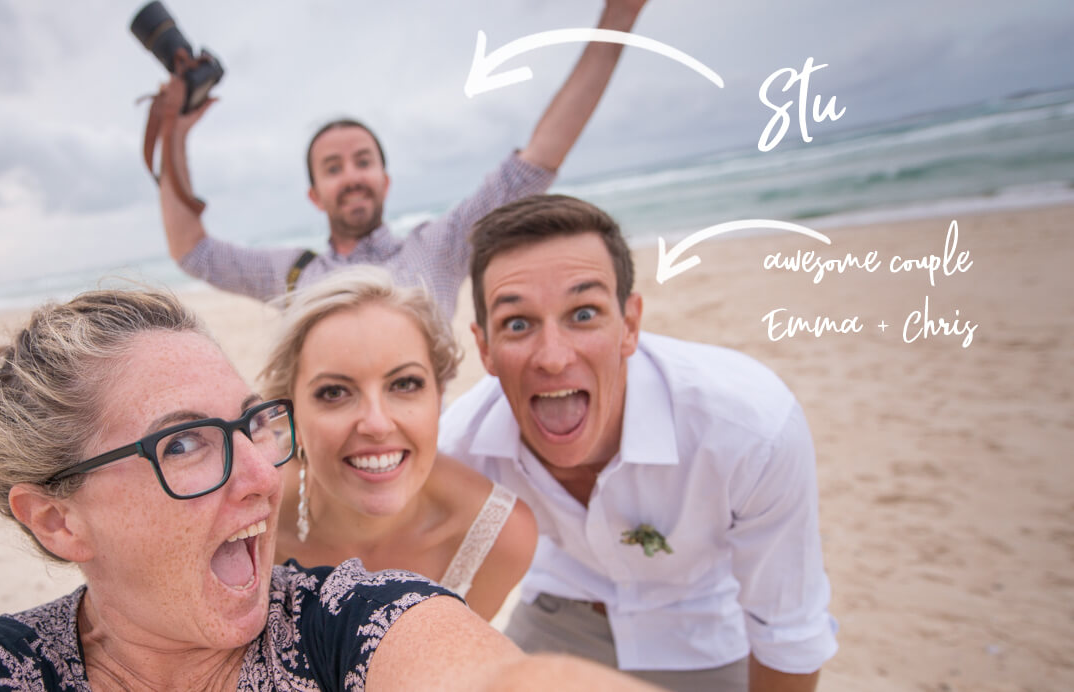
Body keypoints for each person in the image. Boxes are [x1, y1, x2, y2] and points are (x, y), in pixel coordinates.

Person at [0, 287, 655, 691]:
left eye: (249, 428)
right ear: (59, 521)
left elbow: (490, 676)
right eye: (182, 443)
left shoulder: (345, 619)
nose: (260, 476)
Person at [438, 195, 838, 691]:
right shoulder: (462, 446)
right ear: (485, 348)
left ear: (629, 326)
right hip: (558, 614)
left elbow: (789, 629)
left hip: (707, 628)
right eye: (517, 324)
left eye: (583, 313)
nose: (554, 358)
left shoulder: (751, 430)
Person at [157, 0, 649, 320]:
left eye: (362, 161)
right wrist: (173, 133)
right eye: (333, 168)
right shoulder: (291, 274)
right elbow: (192, 252)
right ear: (314, 195)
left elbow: (537, 161)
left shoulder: (438, 248)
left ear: (386, 181)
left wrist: (618, 18)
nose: (351, 176)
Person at [255, 267, 537, 620]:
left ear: (438, 395)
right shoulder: (246, 521)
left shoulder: (497, 538)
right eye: (334, 392)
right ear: (292, 414)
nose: (376, 424)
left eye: (404, 384)